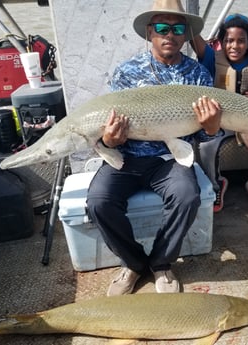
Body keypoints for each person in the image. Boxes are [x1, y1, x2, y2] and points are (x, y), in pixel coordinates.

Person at [86, 0, 222, 296]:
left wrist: (212, 127)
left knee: (188, 196)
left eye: (177, 28)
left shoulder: (198, 76)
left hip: (169, 160)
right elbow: (106, 130)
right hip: (127, 157)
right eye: (162, 27)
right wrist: (110, 140)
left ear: (186, 35)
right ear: (150, 32)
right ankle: (133, 264)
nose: (169, 34)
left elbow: (207, 136)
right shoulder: (125, 73)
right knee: (98, 201)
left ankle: (161, 263)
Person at [191, 13, 248, 215]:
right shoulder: (212, 59)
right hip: (222, 123)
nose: (235, 46)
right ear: (222, 42)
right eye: (229, 40)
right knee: (206, 145)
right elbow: (193, 36)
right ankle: (216, 185)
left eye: (241, 41)